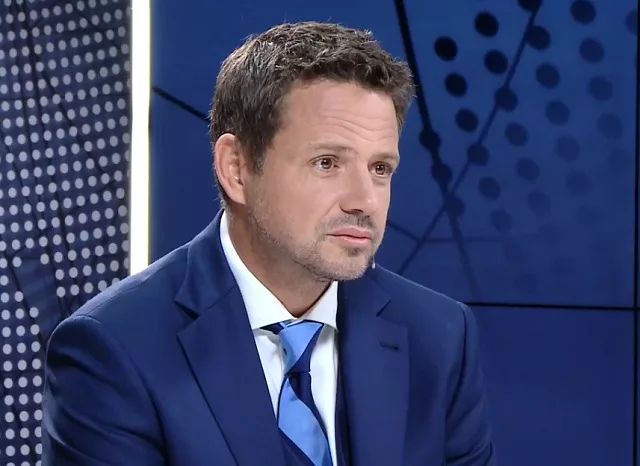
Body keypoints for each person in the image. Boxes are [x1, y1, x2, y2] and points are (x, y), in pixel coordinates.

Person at [41, 21, 497, 466]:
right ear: (237, 169)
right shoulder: (115, 349)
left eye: (380, 168)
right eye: (327, 163)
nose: (365, 201)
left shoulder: (440, 337)